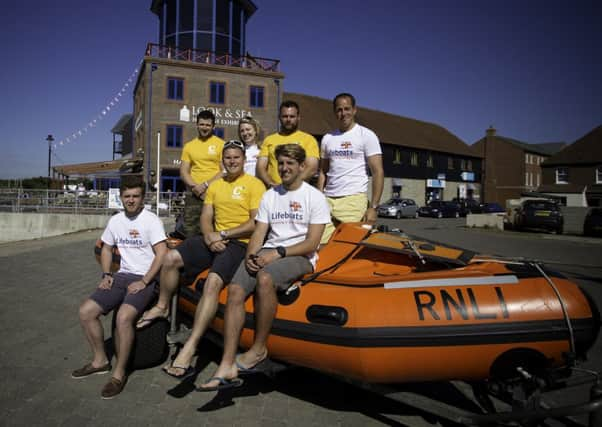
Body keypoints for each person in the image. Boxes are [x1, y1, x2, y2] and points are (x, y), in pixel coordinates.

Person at [199, 144, 330, 391]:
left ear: (303, 167)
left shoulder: (315, 197)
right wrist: (250, 255)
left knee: (266, 278)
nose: (284, 168)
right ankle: (227, 363)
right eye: (281, 163)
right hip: (268, 250)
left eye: (290, 163)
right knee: (236, 289)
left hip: (299, 255)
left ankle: (259, 350)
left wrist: (277, 253)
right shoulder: (271, 195)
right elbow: (259, 233)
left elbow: (312, 242)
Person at [137, 140, 266, 379]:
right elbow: (206, 216)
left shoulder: (254, 185)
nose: (232, 161)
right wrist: (209, 237)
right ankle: (163, 307)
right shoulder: (216, 186)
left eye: (236, 157)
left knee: (213, 282)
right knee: (171, 257)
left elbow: (254, 224)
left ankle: (191, 346)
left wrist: (223, 234)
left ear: (243, 159)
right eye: (227, 158)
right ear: (223, 161)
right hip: (213, 238)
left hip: (240, 242)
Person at [72, 176, 167, 399]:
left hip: (145, 278)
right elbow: (106, 248)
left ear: (143, 197)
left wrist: (144, 281)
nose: (131, 200)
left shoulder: (151, 220)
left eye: (135, 196)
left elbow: (162, 253)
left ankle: (119, 373)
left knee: (124, 317)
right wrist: (106, 274)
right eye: (127, 196)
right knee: (86, 312)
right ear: (121, 198)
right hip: (121, 275)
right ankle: (100, 360)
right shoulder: (116, 220)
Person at [317, 93, 384, 244]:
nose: (343, 113)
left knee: (347, 245)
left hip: (353, 199)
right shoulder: (328, 138)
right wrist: (319, 196)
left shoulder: (366, 135)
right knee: (320, 244)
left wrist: (373, 207)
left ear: (354, 110)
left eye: (347, 109)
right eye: (339, 110)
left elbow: (378, 172)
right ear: (335, 112)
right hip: (328, 199)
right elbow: (323, 172)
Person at [180, 109, 225, 237]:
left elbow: (224, 170)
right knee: (190, 232)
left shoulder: (221, 144)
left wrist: (205, 186)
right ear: (197, 125)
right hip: (193, 194)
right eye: (202, 124)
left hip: (214, 193)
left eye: (208, 125)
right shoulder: (189, 146)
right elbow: (184, 171)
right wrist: (195, 187)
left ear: (213, 126)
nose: (204, 127)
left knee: (214, 230)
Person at [256, 100, 320, 188]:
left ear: (298, 117)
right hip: (274, 190)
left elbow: (312, 168)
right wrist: (271, 183)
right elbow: (260, 168)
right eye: (285, 116)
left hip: (299, 191)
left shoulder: (308, 139)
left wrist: (292, 184)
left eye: (292, 116)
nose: (288, 120)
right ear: (279, 117)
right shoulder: (269, 140)